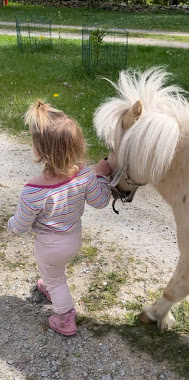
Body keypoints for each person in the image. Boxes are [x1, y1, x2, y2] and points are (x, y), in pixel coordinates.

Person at [7, 100, 111, 336]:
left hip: (49, 246)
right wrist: (101, 176)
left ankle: (65, 318)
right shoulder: (86, 174)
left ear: (38, 150)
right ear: (77, 145)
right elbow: (101, 201)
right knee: (54, 272)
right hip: (73, 239)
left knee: (56, 280)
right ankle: (50, 283)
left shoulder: (33, 191)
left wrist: (10, 226)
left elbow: (21, 224)